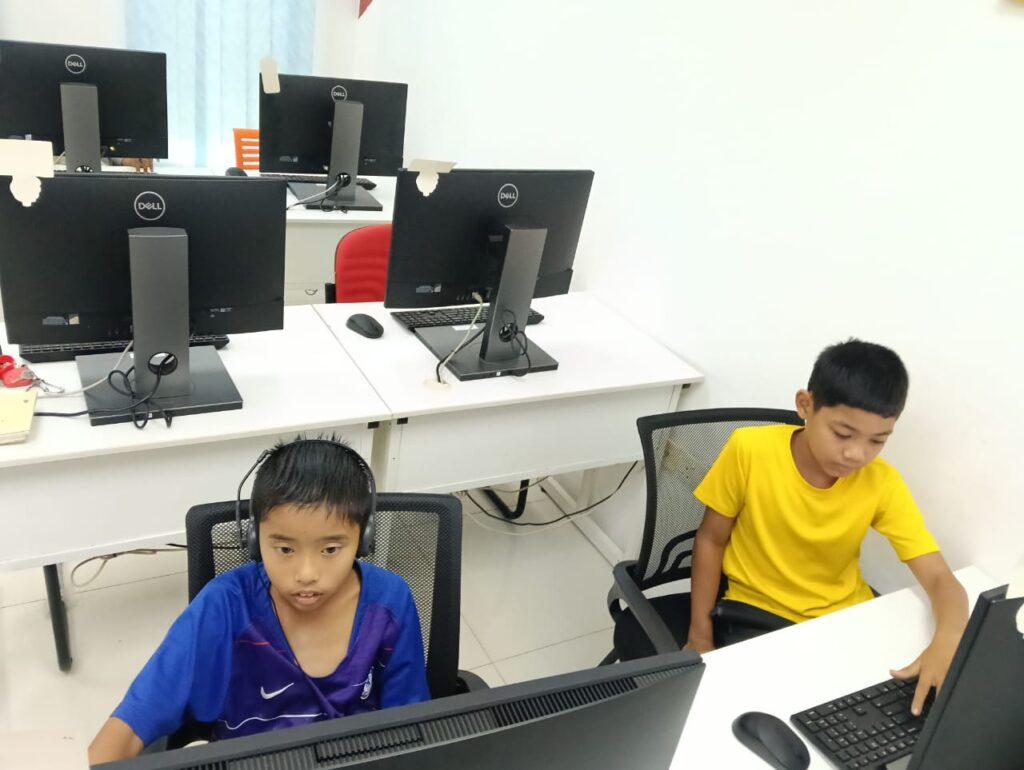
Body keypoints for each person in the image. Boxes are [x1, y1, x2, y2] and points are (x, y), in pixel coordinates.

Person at [88, 438, 430, 764]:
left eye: (330, 549)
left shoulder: (390, 601)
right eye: (284, 549)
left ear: (364, 538)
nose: (306, 573)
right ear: (254, 538)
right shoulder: (225, 605)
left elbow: (411, 725)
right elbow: (120, 735)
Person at [685, 339, 967, 716]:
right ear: (805, 405)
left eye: (877, 441)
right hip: (757, 613)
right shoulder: (750, 450)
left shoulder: (881, 482)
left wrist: (950, 637)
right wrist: (699, 633)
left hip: (844, 620)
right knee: (769, 716)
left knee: (884, 716)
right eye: (843, 434)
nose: (857, 454)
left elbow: (939, 577)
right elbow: (711, 540)